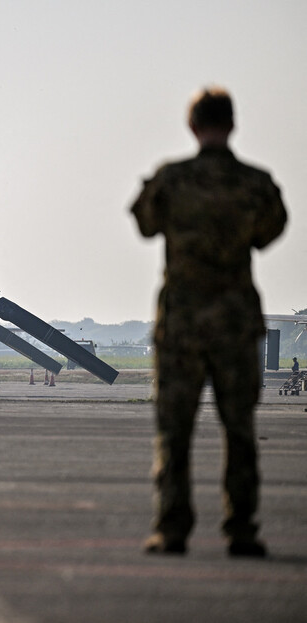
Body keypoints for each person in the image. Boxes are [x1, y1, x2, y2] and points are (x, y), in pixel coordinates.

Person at [130, 87, 287, 557]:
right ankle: (242, 529)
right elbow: (270, 231)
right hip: (235, 322)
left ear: (192, 126)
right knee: (238, 428)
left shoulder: (172, 180)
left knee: (174, 429)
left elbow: (144, 223)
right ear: (232, 125)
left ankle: (171, 528)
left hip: (181, 324)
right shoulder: (255, 183)